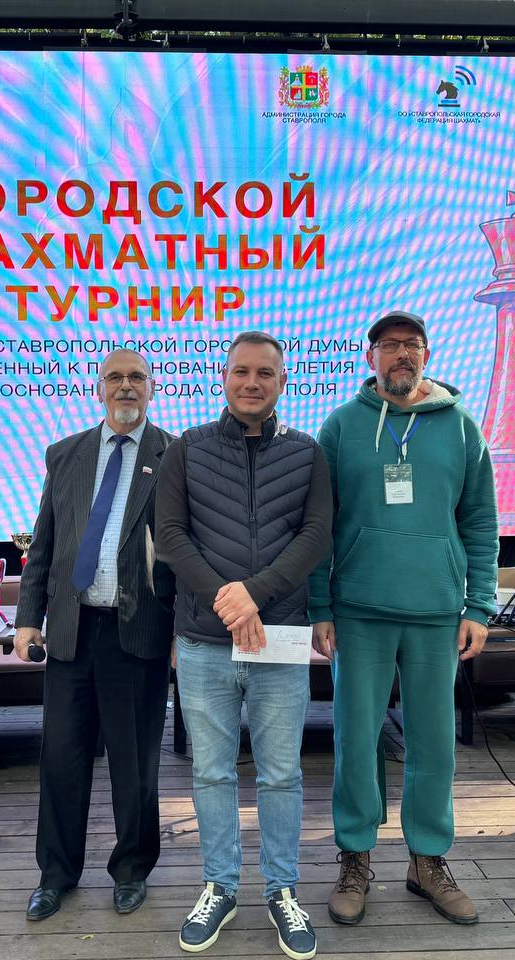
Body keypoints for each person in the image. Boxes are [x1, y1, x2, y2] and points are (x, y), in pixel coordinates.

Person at [309, 310, 498, 927]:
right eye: (389, 345)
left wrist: (479, 605)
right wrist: (319, 607)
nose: (401, 354)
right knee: (356, 740)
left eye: (412, 345)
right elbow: (319, 527)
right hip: (358, 612)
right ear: (371, 357)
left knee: (434, 744)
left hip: (437, 613)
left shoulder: (462, 427)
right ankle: (355, 858)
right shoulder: (341, 426)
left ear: (426, 355)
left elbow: (480, 522)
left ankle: (428, 861)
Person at [156, 331, 332, 960]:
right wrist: (227, 602)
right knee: (211, 771)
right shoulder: (186, 449)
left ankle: (283, 890)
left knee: (282, 774)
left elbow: (316, 535)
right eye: (241, 371)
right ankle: (220, 886)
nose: (251, 382)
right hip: (203, 642)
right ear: (223, 377)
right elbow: (170, 535)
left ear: (283, 381)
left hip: (279, 638)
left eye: (264, 373)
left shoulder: (308, 454)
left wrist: (254, 595)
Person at [14, 349, 176, 921]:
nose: (125, 386)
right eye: (115, 378)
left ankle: (131, 870)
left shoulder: (175, 455)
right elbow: (44, 543)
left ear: (152, 388)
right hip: (71, 632)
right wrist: (27, 619)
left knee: (136, 765)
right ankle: (55, 875)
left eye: (136, 378)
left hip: (139, 631)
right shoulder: (66, 454)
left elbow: (184, 551)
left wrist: (182, 631)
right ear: (99, 387)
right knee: (61, 760)